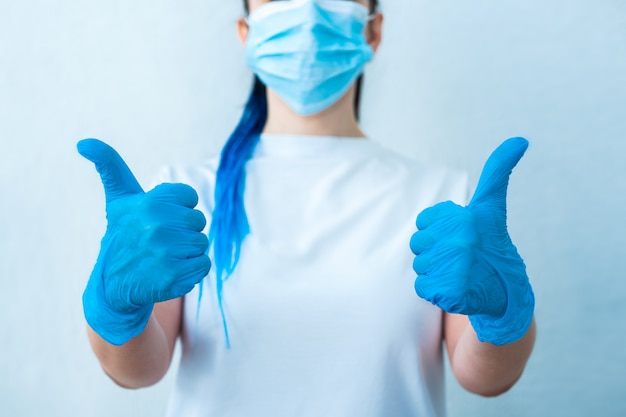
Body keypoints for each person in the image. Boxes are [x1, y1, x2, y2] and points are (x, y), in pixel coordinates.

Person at [77, 0, 536, 416]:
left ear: (373, 32)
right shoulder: (183, 195)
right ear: (246, 32)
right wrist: (115, 307)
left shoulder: (443, 199)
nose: (309, 10)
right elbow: (139, 371)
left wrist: (503, 316)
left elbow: (485, 378)